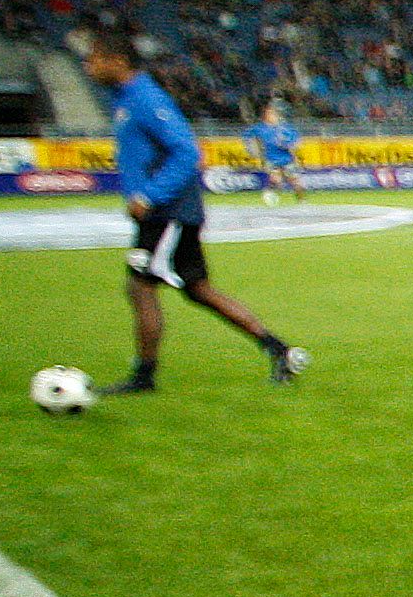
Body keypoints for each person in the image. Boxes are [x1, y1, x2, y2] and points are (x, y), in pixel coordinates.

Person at [85, 31, 305, 397]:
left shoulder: (145, 98)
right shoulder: (127, 98)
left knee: (140, 286)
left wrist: (149, 196)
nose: (88, 66)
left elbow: (187, 152)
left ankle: (144, 377)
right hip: (167, 213)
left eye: (94, 59)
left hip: (167, 213)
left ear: (117, 61)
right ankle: (279, 350)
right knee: (197, 289)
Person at [248, 97, 301, 207]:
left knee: (295, 183)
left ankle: (302, 202)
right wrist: (253, 149)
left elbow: (296, 140)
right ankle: (269, 194)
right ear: (265, 115)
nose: (272, 115)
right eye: (269, 113)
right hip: (271, 159)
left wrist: (288, 145)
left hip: (286, 158)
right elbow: (248, 137)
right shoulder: (259, 128)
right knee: (276, 180)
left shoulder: (285, 128)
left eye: (273, 113)